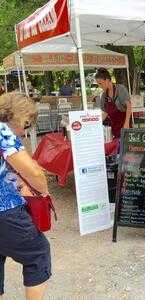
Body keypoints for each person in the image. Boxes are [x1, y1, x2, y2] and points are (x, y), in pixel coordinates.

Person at [0, 93, 51, 299]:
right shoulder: (3, 131)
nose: (24, 131)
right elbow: (35, 173)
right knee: (37, 253)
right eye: (26, 124)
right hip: (5, 210)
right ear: (19, 116)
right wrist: (44, 190)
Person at [95, 68, 131, 138]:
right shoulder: (103, 95)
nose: (99, 86)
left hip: (124, 124)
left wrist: (126, 124)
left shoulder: (120, 89)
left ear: (107, 80)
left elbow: (129, 106)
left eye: (100, 83)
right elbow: (105, 113)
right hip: (113, 127)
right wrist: (96, 123)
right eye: (98, 84)